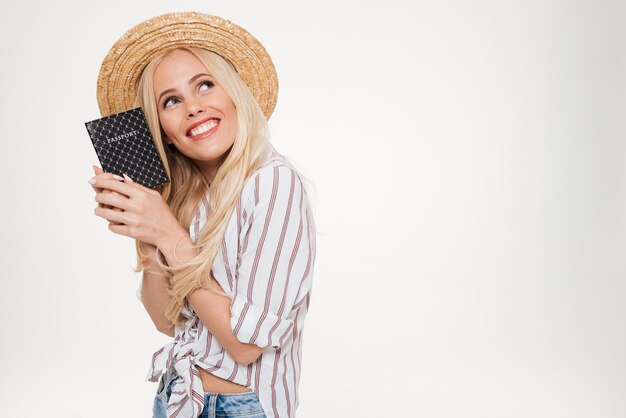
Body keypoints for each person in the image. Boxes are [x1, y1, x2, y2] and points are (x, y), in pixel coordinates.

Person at [88, 12, 316, 418]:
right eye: (171, 101)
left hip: (240, 407)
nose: (193, 108)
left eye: (205, 85)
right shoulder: (185, 199)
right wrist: (149, 231)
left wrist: (168, 234)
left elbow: (246, 345)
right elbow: (165, 320)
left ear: (234, 93)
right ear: (161, 127)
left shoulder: (272, 183)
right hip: (178, 397)